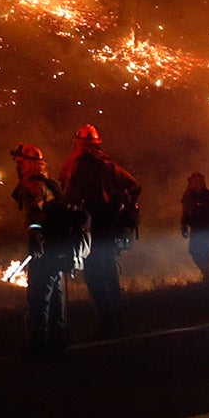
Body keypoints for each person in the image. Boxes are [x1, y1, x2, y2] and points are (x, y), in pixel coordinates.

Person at [63, 124, 140, 338]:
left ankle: (105, 325)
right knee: (110, 275)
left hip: (91, 230)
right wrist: (121, 206)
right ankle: (117, 323)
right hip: (109, 228)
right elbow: (134, 185)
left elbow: (70, 196)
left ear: (79, 144)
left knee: (95, 277)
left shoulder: (80, 165)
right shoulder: (108, 165)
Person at [11, 143, 86, 354]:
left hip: (45, 246)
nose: (17, 166)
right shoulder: (47, 181)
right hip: (58, 246)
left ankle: (38, 343)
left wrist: (35, 237)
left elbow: (35, 213)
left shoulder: (33, 184)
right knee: (56, 293)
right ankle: (58, 339)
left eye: (19, 162)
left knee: (39, 295)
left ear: (27, 162)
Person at [181, 170, 209, 281]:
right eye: (194, 182)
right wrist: (184, 226)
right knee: (194, 252)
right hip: (196, 229)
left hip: (207, 229)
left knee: (207, 253)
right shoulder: (189, 197)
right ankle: (206, 273)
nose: (196, 184)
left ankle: (207, 276)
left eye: (198, 181)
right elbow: (185, 213)